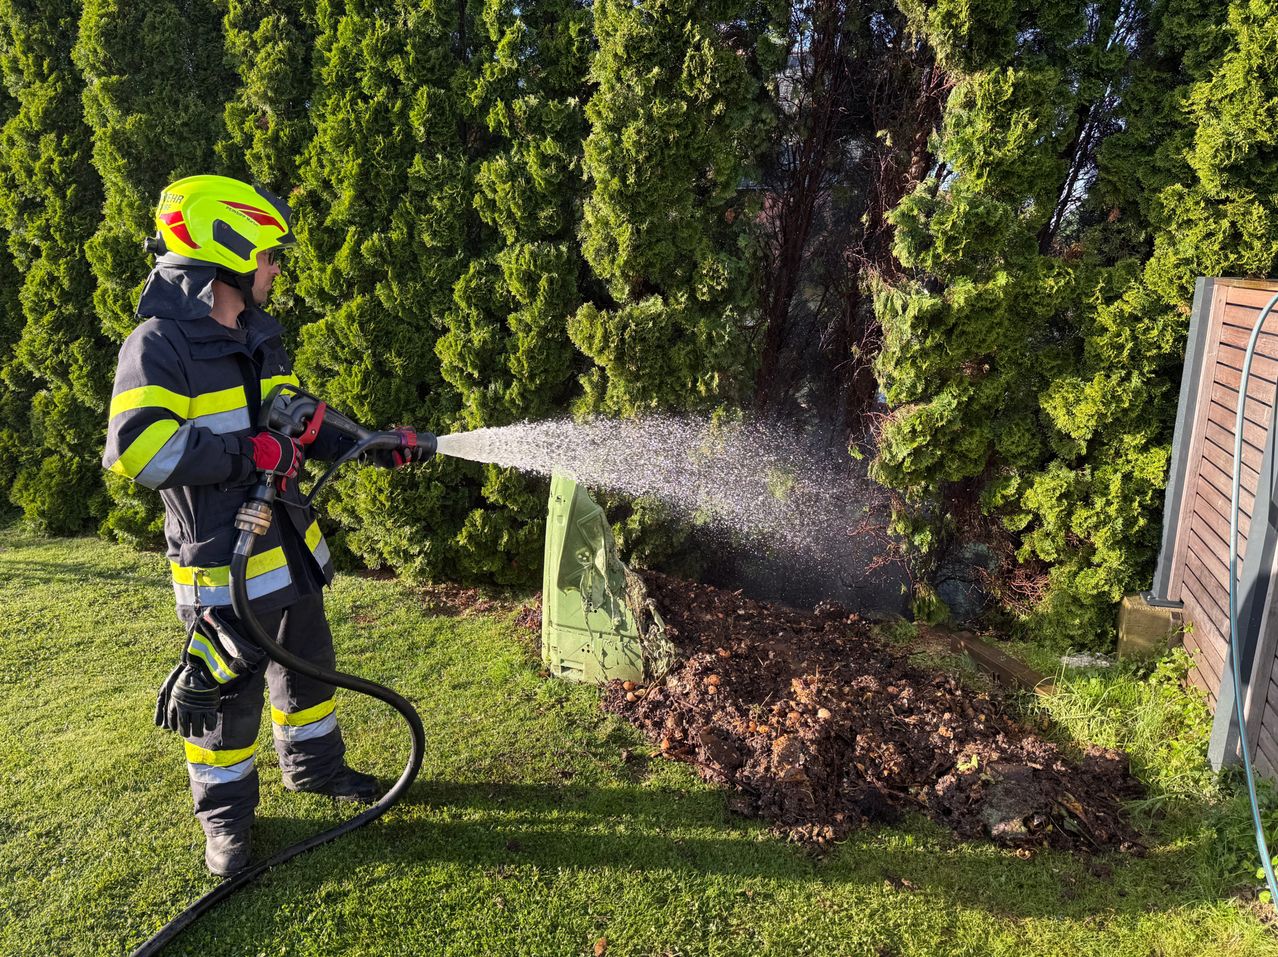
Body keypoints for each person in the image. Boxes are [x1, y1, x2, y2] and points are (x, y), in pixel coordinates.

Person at [102, 175, 428, 876]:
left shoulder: (254, 333)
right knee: (225, 702)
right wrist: (242, 453)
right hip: (222, 565)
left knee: (309, 673)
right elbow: (138, 448)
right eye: (270, 255)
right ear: (227, 251)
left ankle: (314, 768)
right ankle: (225, 823)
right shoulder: (159, 344)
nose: (277, 268)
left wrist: (367, 441)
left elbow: (294, 419)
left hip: (285, 548)